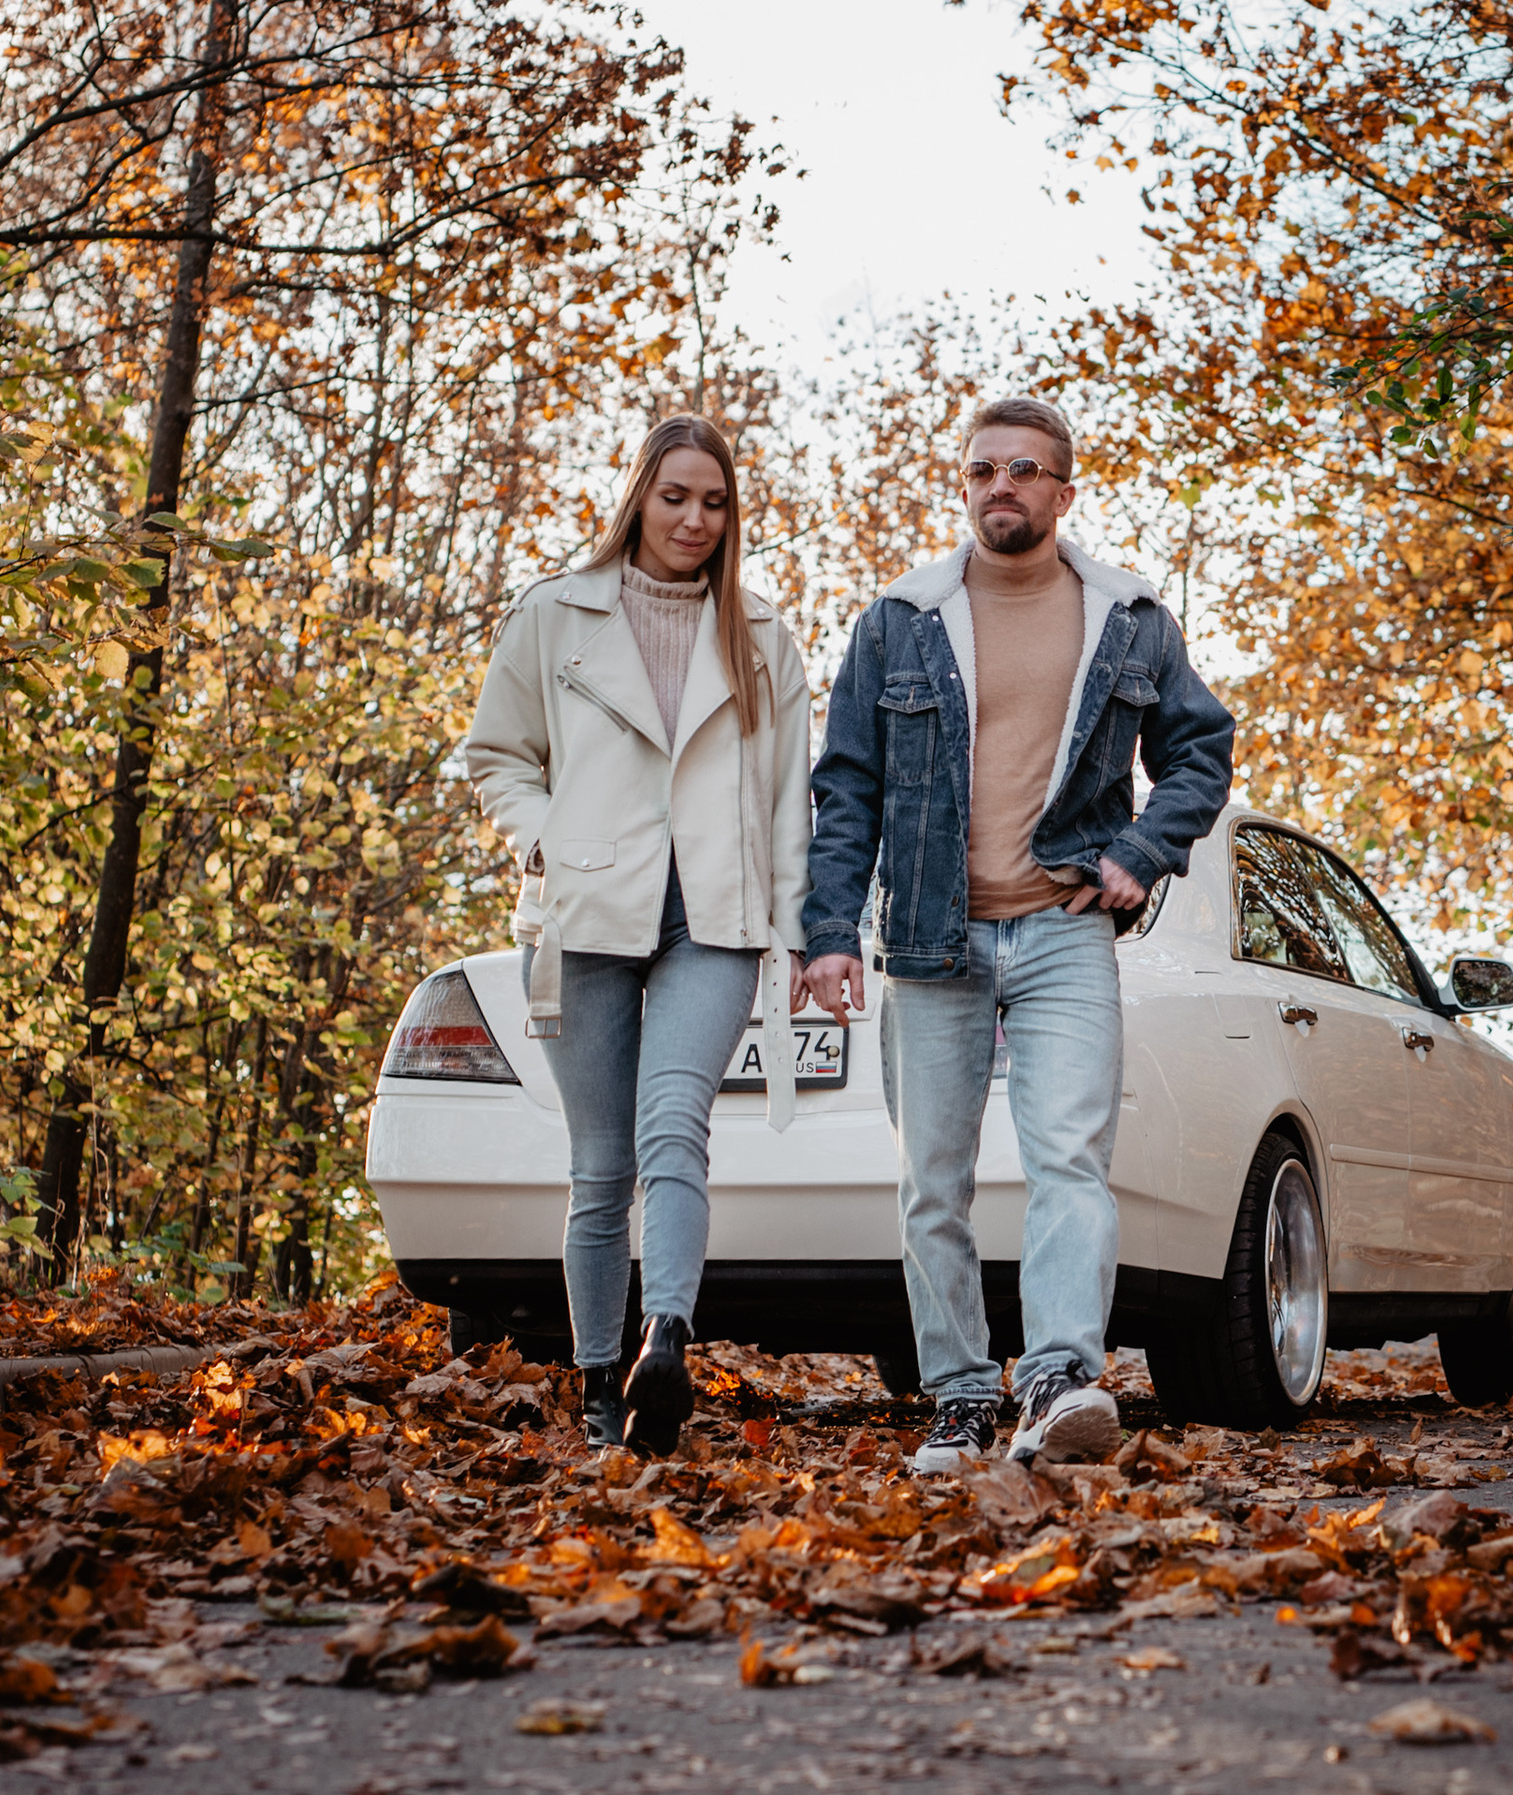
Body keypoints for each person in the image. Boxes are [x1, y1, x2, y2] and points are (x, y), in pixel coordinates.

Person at [799, 393, 1236, 1471]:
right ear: (965, 486)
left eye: (1026, 470)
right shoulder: (898, 620)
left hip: (1062, 935)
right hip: (929, 947)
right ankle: (956, 1394)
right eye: (984, 470)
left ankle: (1055, 1379)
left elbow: (1201, 752)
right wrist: (828, 935)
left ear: (1063, 490)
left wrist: (1139, 854)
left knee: (1071, 1167)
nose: (1004, 486)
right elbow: (846, 787)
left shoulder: (1128, 618)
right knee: (931, 1183)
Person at [462, 412, 813, 1456]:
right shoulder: (553, 616)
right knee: (600, 1164)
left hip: (714, 915)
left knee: (675, 1127)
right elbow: (497, 756)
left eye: (714, 502)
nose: (695, 519)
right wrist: (540, 839)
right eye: (676, 497)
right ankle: (596, 1381)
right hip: (580, 913)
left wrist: (798, 940)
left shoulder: (763, 639)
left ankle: (667, 1337)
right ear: (639, 499)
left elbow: (792, 804)